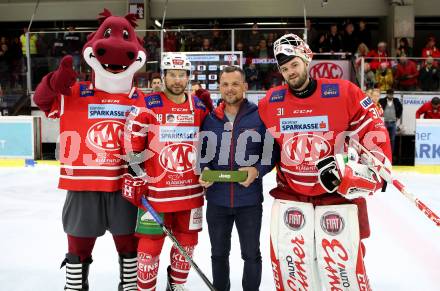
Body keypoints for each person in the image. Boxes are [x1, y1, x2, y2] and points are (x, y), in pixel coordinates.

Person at [258, 33, 391, 290]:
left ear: (307, 59)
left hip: (336, 197)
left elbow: (373, 130)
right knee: (295, 268)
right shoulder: (271, 102)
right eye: (284, 69)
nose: (290, 73)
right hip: (293, 196)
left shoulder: (343, 92)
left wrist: (370, 170)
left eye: (294, 65)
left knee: (341, 271)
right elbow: (257, 141)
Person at [32, 10, 146, 291]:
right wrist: (52, 81)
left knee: (129, 244)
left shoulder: (140, 98)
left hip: (125, 185)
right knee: (78, 244)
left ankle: (129, 286)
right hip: (83, 185)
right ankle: (75, 286)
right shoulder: (75, 91)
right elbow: (42, 100)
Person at [122, 52, 208, 291]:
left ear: (188, 77)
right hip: (155, 194)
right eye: (172, 75)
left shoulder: (198, 106)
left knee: (188, 241)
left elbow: (210, 142)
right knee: (150, 245)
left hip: (191, 192)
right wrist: (135, 174)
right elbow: (131, 142)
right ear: (164, 76)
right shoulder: (148, 104)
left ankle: (177, 285)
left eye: (182, 75)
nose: (177, 80)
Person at [198, 66, 277, 291]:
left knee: (251, 254)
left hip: (249, 201)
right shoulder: (211, 118)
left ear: (245, 86)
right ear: (219, 88)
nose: (230, 89)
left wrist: (257, 170)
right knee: (218, 254)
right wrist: (203, 170)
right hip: (217, 201)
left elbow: (271, 152)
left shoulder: (259, 115)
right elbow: (202, 153)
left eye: (235, 84)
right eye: (225, 84)